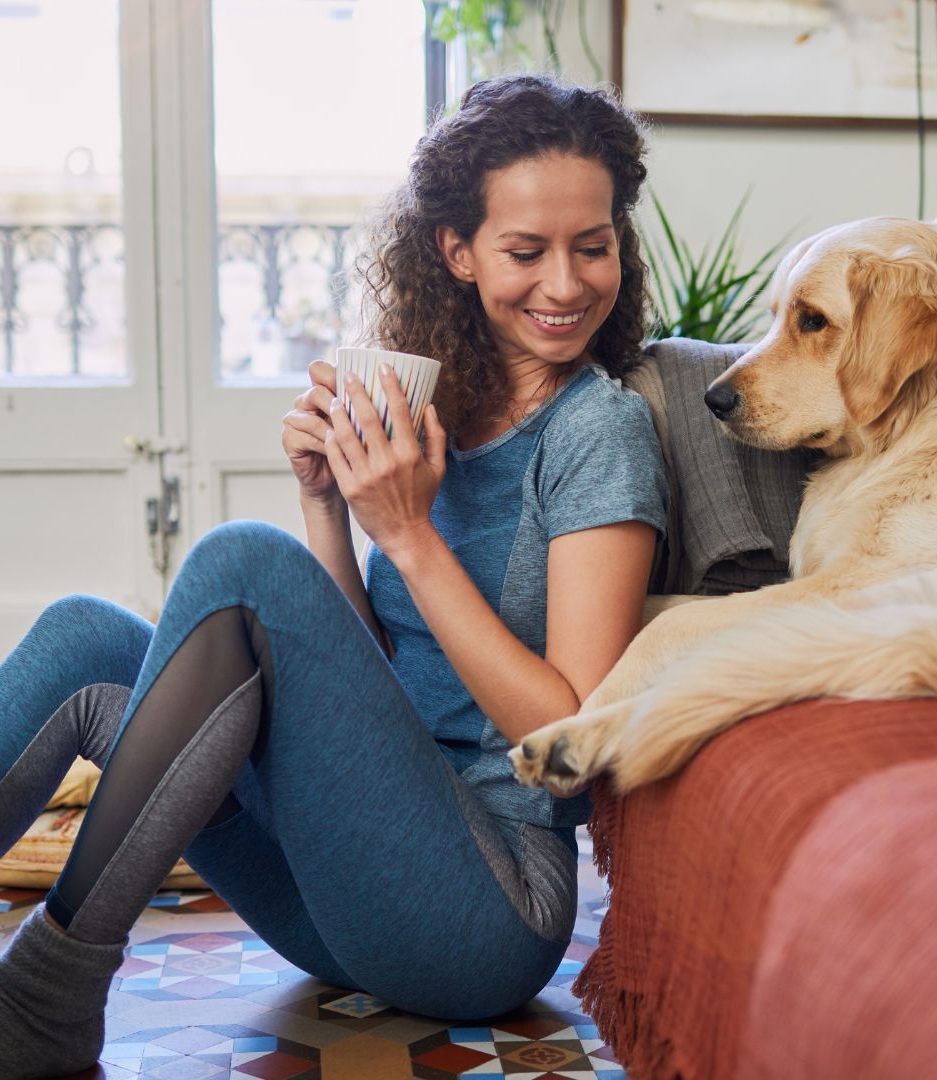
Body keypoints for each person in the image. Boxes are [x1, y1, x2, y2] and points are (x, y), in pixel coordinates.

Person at [0, 73, 665, 1077]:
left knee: (239, 564)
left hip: (482, 912)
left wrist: (407, 535)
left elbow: (565, 736)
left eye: (594, 245)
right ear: (458, 251)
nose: (566, 284)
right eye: (527, 252)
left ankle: (49, 990)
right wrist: (328, 504)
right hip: (345, 885)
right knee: (87, 636)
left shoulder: (599, 432)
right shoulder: (438, 407)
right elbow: (377, 689)